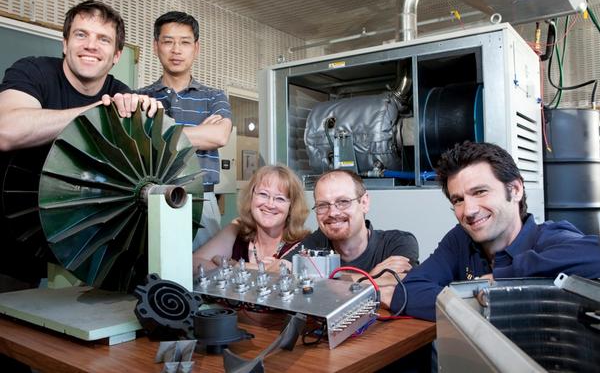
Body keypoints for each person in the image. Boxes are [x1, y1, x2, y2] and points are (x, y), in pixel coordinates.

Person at [0, 0, 160, 293]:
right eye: (81, 34)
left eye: (103, 39)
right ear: (65, 43)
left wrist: (151, 116)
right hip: (10, 251)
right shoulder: (32, 72)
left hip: (81, 251)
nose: (91, 45)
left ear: (116, 55)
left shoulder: (122, 94)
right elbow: (6, 131)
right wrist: (96, 112)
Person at [382, 141, 600, 321]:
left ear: (514, 190)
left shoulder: (548, 239)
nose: (469, 211)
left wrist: (502, 278)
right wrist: (478, 298)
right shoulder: (460, 239)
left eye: (480, 192)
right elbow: (409, 291)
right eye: (458, 200)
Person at [137, 11, 232, 251]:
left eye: (185, 42)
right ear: (156, 46)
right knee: (151, 273)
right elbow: (137, 146)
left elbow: (219, 135)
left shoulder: (214, 96)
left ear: (196, 48)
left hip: (202, 199)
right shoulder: (140, 97)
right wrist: (199, 133)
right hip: (149, 199)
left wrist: (155, 137)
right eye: (168, 41)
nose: (176, 50)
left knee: (203, 274)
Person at [284, 169, 419, 286]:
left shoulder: (398, 243)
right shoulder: (315, 242)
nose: (333, 213)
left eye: (343, 202)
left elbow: (399, 286)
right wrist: (370, 278)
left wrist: (319, 279)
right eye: (322, 205)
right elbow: (278, 270)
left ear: (364, 203)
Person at [193, 165, 309, 271]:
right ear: (251, 197)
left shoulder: (304, 244)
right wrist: (258, 269)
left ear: (292, 206)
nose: (270, 204)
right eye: (263, 194)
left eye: (280, 199)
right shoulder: (236, 229)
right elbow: (193, 264)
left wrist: (234, 265)